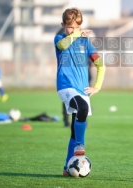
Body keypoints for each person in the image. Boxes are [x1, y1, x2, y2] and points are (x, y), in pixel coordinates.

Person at [54, 8, 105, 176]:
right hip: (65, 86)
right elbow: (63, 45)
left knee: (74, 132)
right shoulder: (60, 38)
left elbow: (100, 65)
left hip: (82, 90)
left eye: (75, 27)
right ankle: (80, 146)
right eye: (69, 27)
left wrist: (97, 86)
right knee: (82, 108)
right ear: (63, 25)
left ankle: (67, 168)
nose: (72, 30)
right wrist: (78, 33)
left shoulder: (86, 43)